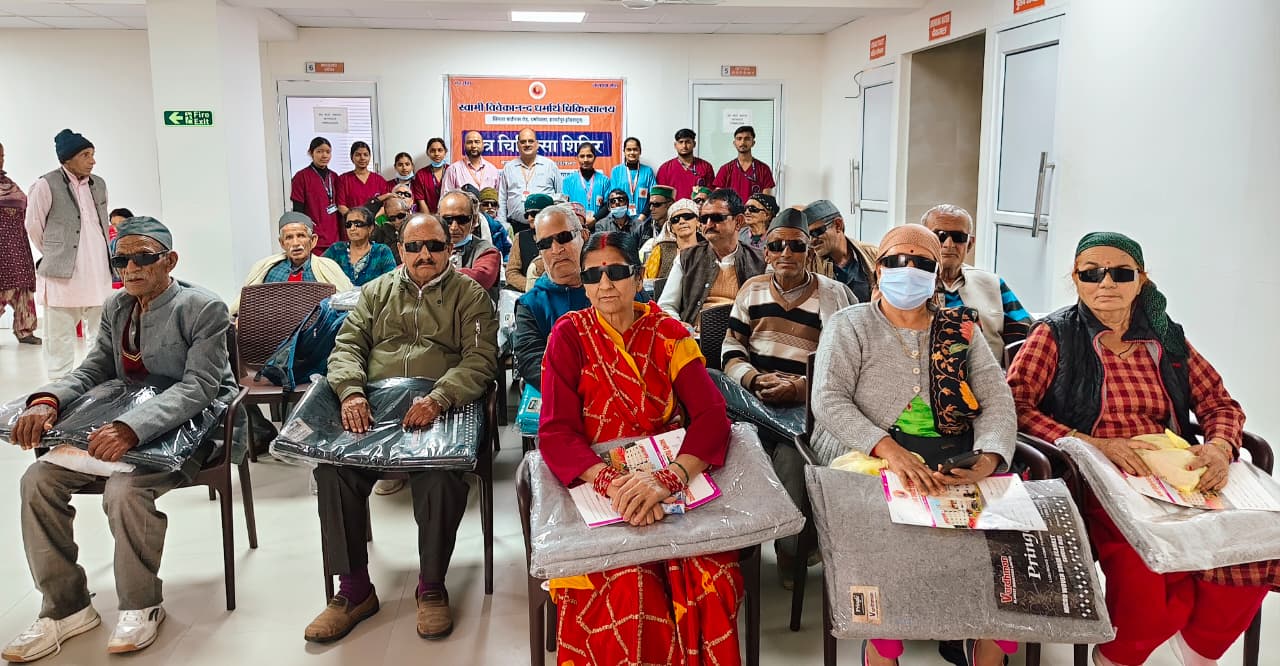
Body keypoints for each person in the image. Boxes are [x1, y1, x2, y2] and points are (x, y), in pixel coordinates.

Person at [1006, 232, 1273, 666]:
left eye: (1120, 273)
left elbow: (1219, 403)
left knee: (1259, 540)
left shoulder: (1167, 338)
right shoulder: (1054, 335)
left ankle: (1200, 648)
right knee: (1144, 567)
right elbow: (1015, 408)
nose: (1105, 282)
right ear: (1075, 278)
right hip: (1097, 472)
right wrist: (1092, 444)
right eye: (1091, 273)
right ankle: (1120, 655)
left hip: (1174, 468)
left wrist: (1220, 446)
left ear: (1141, 280)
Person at [2, 217, 239, 662]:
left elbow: (200, 387)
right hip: (122, 421)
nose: (130, 268)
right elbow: (95, 368)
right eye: (121, 260)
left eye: (143, 258)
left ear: (170, 260)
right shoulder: (117, 306)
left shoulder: (202, 307)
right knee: (37, 480)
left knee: (125, 491)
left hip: (191, 427)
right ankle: (66, 607)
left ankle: (141, 604)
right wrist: (47, 400)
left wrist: (133, 428)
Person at [808, 223, 1017, 666]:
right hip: (867, 451)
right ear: (878, 270)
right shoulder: (851, 324)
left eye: (922, 263)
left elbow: (997, 398)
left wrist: (990, 456)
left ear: (937, 274)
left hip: (954, 454)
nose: (908, 270)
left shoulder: (960, 328)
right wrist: (890, 450)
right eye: (896, 261)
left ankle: (984, 639)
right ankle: (883, 646)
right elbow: (828, 399)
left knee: (1005, 534)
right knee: (888, 528)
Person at [538, 230, 741, 665]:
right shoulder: (569, 335)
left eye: (616, 272)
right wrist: (614, 485)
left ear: (637, 276)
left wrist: (668, 479)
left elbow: (711, 417)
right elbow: (555, 432)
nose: (605, 284)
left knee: (713, 578)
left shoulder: (669, 333)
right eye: (593, 275)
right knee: (626, 584)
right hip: (599, 485)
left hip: (670, 475)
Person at [304, 214, 498, 644]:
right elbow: (347, 347)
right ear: (400, 250)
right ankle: (354, 590)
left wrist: (440, 397)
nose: (424, 254)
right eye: (414, 247)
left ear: (450, 249)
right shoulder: (375, 293)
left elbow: (480, 359)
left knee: (440, 476)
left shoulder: (469, 295)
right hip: (375, 406)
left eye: (434, 246)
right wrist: (351, 392)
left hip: (441, 404)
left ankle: (431, 586)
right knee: (333, 472)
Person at [721, 208, 856, 587]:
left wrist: (798, 388)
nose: (786, 254)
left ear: (808, 252)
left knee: (791, 457)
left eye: (795, 246)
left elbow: (843, 365)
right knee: (731, 438)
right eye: (777, 245)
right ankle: (735, 548)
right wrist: (753, 379)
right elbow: (732, 348)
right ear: (766, 251)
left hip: (807, 407)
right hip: (754, 401)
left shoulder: (833, 296)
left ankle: (791, 551)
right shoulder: (752, 290)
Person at [24, 129, 113, 379]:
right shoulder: (45, 185)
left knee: (101, 335)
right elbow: (33, 226)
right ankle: (58, 385)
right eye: (86, 155)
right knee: (59, 337)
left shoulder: (99, 184)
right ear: (67, 159)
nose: (92, 160)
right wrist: (56, 254)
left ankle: (97, 380)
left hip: (99, 272)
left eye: (93, 154)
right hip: (62, 276)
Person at [921, 204, 1033, 365]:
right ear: (924, 240)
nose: (949, 244)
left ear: (970, 244)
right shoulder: (908, 284)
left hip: (990, 375)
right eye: (940, 235)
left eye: (958, 237)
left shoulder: (992, 284)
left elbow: (1027, 334)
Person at [658, 188, 765, 331]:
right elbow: (666, 306)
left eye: (717, 218)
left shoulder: (760, 261)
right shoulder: (686, 258)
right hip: (694, 339)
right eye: (704, 219)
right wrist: (681, 328)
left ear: (738, 221)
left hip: (743, 339)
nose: (708, 224)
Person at [512, 204, 591, 392]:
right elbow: (530, 362)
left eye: (564, 237)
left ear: (584, 236)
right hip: (562, 394)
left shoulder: (612, 285)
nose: (556, 249)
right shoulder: (530, 304)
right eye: (545, 244)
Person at [236, 212, 353, 313]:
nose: (295, 243)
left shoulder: (328, 268)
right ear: (282, 243)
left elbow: (347, 305)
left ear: (313, 240)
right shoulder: (269, 270)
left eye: (301, 236)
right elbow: (249, 306)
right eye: (289, 237)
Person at [0, 142, 40, 345]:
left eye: (2, 156)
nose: (1, 160)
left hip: (18, 245)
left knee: (23, 288)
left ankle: (25, 330)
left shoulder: (10, 183)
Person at [805, 199, 878, 304]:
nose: (812, 241)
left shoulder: (874, 255)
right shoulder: (808, 263)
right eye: (808, 236)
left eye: (816, 232)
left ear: (838, 225)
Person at [437, 192, 501, 298]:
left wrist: (430, 274)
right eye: (447, 220)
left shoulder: (488, 251)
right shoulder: (429, 246)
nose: (454, 227)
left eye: (461, 220)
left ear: (474, 221)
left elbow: (479, 279)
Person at [499, 128, 562, 235]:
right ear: (518, 145)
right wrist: (503, 224)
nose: (527, 144)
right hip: (515, 227)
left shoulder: (550, 166)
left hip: (546, 226)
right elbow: (502, 199)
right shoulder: (509, 168)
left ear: (537, 144)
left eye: (531, 141)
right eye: (523, 142)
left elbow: (559, 196)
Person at [290, 137, 342, 255]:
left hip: (334, 236)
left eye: (328, 152)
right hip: (313, 237)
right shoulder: (301, 177)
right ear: (311, 153)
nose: (324, 155)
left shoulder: (334, 177)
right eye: (319, 151)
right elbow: (298, 211)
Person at [322, 207, 397, 287]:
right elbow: (316, 268)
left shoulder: (382, 251)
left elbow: (392, 281)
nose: (352, 228)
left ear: (370, 228)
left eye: (358, 224)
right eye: (348, 225)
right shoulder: (336, 249)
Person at [643, 198, 701, 285]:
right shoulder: (661, 250)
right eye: (676, 219)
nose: (681, 221)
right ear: (671, 227)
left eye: (687, 217)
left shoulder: (710, 250)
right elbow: (647, 284)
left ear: (698, 222)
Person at [505, 193, 554, 293]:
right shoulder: (520, 237)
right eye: (527, 214)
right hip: (526, 293)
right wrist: (531, 287)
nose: (530, 218)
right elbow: (511, 272)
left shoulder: (560, 237)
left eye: (534, 214)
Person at [713, 125, 776, 201]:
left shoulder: (764, 169)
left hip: (754, 209)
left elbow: (766, 200)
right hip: (731, 209)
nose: (742, 142)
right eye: (739, 139)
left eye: (747, 139)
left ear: (753, 143)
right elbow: (717, 199)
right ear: (734, 143)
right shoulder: (725, 169)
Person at [441, 131, 501, 205]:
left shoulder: (492, 170)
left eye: (477, 142)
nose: (473, 146)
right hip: (463, 211)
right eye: (469, 142)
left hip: (488, 212)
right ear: (464, 145)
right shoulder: (453, 170)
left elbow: (499, 199)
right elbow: (445, 200)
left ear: (483, 145)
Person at [656, 129, 715, 201]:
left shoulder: (706, 167)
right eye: (681, 142)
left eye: (688, 142)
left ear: (694, 144)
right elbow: (660, 196)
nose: (684, 146)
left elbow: (711, 194)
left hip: (698, 207)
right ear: (675, 145)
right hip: (673, 208)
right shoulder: (665, 169)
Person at [562, 142, 611, 226]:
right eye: (582, 156)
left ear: (595, 158)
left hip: (599, 226)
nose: (585, 160)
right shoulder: (568, 181)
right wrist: (579, 221)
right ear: (576, 158)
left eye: (589, 156)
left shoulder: (604, 180)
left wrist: (594, 219)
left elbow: (608, 205)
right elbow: (565, 206)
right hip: (576, 226)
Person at [608, 136, 656, 222]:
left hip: (643, 219)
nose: (632, 152)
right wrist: (622, 218)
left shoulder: (648, 171)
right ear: (624, 151)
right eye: (629, 150)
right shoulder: (616, 171)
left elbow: (652, 196)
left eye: (635, 149)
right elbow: (614, 197)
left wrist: (642, 217)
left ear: (640, 151)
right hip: (621, 219)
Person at [336, 141, 389, 217]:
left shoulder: (379, 180)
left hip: (375, 222)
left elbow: (385, 205)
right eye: (358, 155)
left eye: (365, 155)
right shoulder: (343, 179)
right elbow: (341, 206)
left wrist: (373, 219)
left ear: (370, 157)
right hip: (352, 222)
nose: (362, 158)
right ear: (351, 157)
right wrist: (357, 219)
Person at [412, 138, 448, 214]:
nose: (436, 154)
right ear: (427, 153)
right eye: (432, 151)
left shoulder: (452, 170)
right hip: (428, 214)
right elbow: (421, 200)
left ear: (445, 152)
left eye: (440, 150)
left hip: (449, 214)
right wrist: (429, 218)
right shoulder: (421, 174)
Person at [372, 196, 411, 265]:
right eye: (392, 218)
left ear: (408, 212)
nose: (397, 221)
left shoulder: (419, 226)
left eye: (400, 216)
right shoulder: (384, 231)